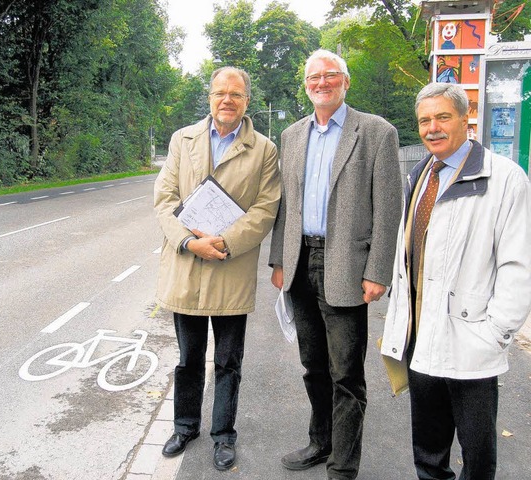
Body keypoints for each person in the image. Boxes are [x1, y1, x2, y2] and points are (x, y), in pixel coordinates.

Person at [381, 82, 531, 479]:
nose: (432, 128)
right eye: (425, 120)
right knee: (428, 450)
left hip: (471, 342)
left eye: (443, 117)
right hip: (420, 339)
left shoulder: (504, 179)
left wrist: (495, 331)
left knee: (477, 452)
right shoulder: (420, 175)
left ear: (466, 119)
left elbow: (519, 266)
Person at [269, 49, 402, 479]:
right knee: (313, 364)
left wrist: (377, 270)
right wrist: (278, 261)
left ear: (345, 82)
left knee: (346, 372)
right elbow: (284, 206)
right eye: (313, 77)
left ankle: (343, 465)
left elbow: (388, 208)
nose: (321, 82)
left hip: (345, 262)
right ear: (305, 84)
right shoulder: (291, 136)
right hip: (299, 260)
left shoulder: (376, 132)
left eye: (330, 75)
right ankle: (320, 440)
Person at [154, 66, 281, 471]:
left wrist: (222, 242)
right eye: (220, 93)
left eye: (236, 94)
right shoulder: (182, 139)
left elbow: (265, 209)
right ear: (209, 97)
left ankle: (223, 435)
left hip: (230, 268)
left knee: (228, 361)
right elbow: (164, 200)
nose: (227, 100)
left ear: (247, 101)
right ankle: (185, 425)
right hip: (186, 267)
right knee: (188, 357)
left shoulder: (264, 149)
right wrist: (191, 242)